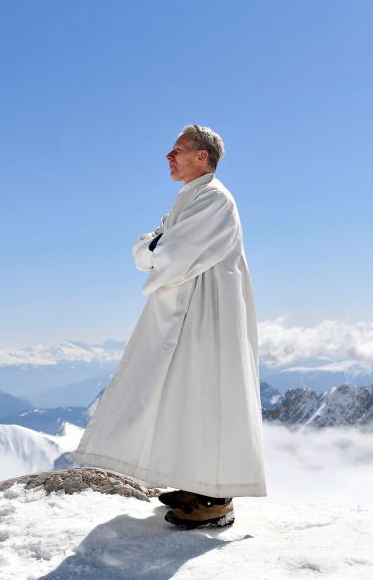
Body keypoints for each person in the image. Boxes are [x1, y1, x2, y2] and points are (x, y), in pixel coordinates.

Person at [72, 124, 267, 529]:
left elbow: (168, 250)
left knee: (212, 393)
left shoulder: (214, 199)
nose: (168, 156)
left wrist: (154, 244)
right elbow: (154, 249)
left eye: (177, 150)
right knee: (192, 395)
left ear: (202, 157)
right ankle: (199, 482)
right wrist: (155, 245)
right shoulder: (192, 199)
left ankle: (217, 497)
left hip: (210, 313)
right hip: (193, 309)